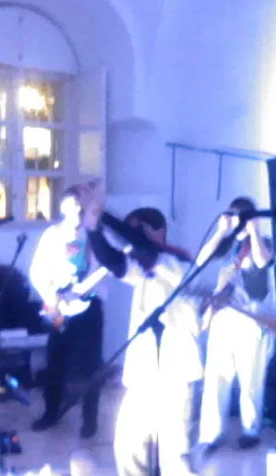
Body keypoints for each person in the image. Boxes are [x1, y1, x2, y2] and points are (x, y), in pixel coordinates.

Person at [79, 189, 202, 476]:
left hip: (177, 375)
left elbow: (141, 247)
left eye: (137, 234)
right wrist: (94, 227)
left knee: (176, 459)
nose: (130, 242)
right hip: (144, 374)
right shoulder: (143, 265)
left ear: (157, 232)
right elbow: (112, 260)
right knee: (129, 448)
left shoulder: (181, 263)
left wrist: (105, 216)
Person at [189, 196, 276, 472]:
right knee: (217, 376)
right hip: (223, 317)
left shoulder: (262, 241)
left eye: (241, 216)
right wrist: (221, 231)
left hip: (251, 318)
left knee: (250, 379)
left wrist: (254, 230)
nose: (238, 220)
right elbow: (201, 260)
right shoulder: (226, 244)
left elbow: (263, 262)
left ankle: (251, 430)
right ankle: (211, 433)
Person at [28, 186, 105, 439]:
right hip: (59, 307)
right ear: (63, 208)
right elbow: (37, 271)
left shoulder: (94, 233)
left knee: (90, 365)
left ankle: (90, 420)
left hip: (88, 307)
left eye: (80, 206)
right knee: (55, 362)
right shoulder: (52, 235)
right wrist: (52, 296)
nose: (76, 211)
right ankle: (51, 412)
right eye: (72, 206)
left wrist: (84, 289)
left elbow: (104, 267)